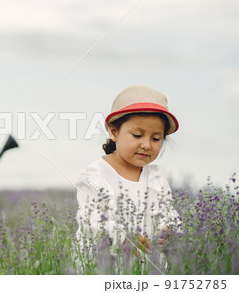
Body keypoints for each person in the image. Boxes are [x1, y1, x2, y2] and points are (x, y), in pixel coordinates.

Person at [74, 84, 181, 271]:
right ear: (114, 132)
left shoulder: (156, 179)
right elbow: (90, 220)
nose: (147, 145)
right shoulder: (96, 175)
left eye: (156, 138)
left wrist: (169, 232)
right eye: (137, 135)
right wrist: (121, 237)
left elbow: (169, 215)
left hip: (147, 266)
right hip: (106, 265)